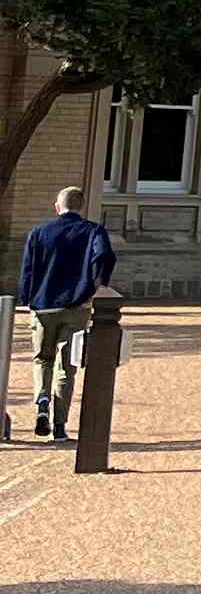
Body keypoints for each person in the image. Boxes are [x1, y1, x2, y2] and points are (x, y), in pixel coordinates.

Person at [17, 184, 116, 440]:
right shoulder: (93, 230)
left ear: (57, 206)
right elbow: (105, 255)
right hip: (76, 305)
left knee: (42, 359)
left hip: (43, 305)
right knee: (66, 367)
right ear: (81, 206)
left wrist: (27, 297)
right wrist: (96, 285)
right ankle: (60, 426)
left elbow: (28, 269)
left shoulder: (39, 233)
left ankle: (41, 402)